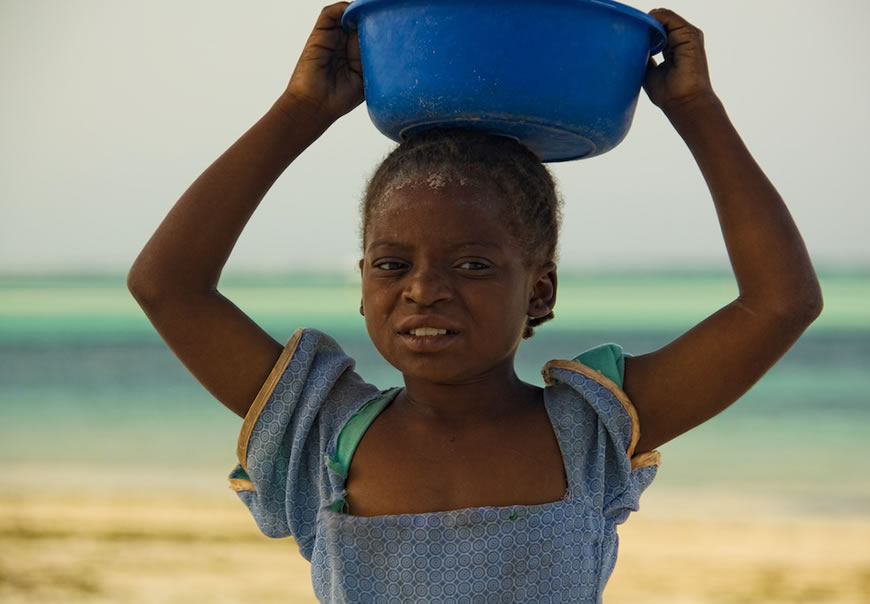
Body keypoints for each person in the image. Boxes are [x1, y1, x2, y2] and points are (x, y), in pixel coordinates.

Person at [127, 2, 822, 601]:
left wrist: (697, 110)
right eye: (391, 265)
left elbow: (779, 303)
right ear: (364, 285)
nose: (423, 290)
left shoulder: (592, 428)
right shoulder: (317, 432)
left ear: (538, 289)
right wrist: (299, 111)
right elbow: (167, 284)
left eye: (472, 264)